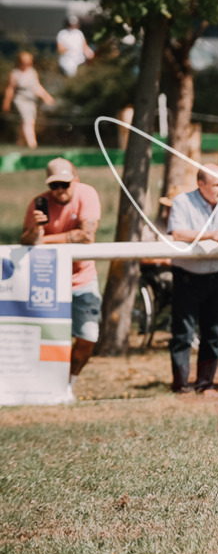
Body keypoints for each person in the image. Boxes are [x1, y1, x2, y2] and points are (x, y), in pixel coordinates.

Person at [20, 158, 102, 401]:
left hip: (81, 278)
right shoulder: (39, 203)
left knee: (88, 336)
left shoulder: (87, 194)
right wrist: (36, 229)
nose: (59, 190)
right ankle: (45, 386)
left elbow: (86, 236)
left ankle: (68, 383)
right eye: (54, 185)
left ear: (75, 180)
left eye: (64, 184)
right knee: (47, 338)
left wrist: (44, 240)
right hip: (47, 281)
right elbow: (25, 241)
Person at [166, 164, 218, 394]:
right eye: (216, 185)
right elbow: (178, 233)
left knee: (213, 332)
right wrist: (212, 235)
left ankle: (206, 384)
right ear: (200, 185)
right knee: (183, 332)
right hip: (186, 275)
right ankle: (180, 385)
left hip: (217, 274)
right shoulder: (183, 202)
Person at [3, 52, 55, 150]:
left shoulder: (32, 72)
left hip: (31, 101)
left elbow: (37, 87)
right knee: (29, 121)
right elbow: (10, 89)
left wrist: (47, 97)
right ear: (20, 62)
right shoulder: (15, 73)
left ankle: (19, 143)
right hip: (21, 101)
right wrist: (6, 102)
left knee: (26, 122)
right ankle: (33, 145)